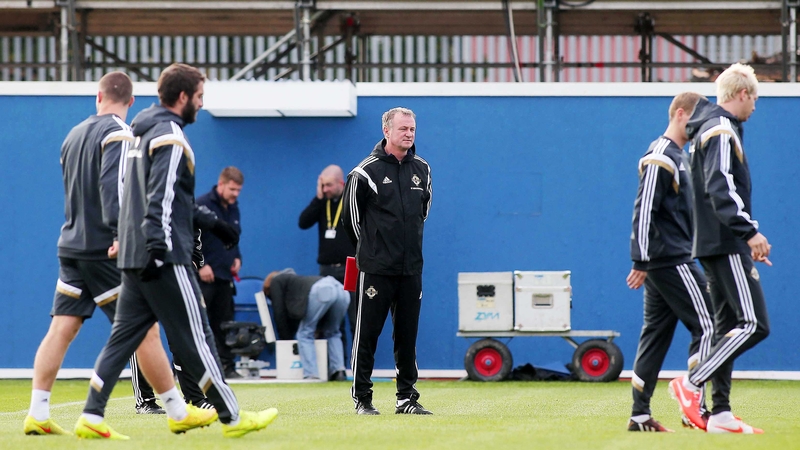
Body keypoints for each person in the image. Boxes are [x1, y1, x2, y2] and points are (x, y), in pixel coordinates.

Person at [74, 63, 277, 439]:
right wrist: (157, 247)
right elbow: (161, 197)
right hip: (164, 256)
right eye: (199, 97)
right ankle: (232, 416)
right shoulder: (170, 134)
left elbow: (155, 195)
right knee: (197, 335)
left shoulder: (141, 130)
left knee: (123, 337)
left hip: (133, 254)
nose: (201, 104)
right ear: (183, 97)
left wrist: (213, 223)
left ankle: (92, 414)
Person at [23, 71, 176, 436]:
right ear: (131, 101)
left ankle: (38, 413)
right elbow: (112, 188)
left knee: (61, 328)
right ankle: (178, 410)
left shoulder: (72, 135)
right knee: (145, 330)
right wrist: (119, 233)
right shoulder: (120, 133)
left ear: (98, 96)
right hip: (102, 249)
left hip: (70, 245)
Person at [669, 63, 770, 434]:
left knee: (727, 327)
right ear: (741, 93)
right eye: (755, 96)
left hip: (713, 243)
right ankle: (691, 384)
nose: (756, 105)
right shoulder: (722, 129)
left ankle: (721, 413)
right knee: (754, 324)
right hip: (726, 242)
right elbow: (720, 188)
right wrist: (749, 233)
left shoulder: (707, 130)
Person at [626, 92, 714, 432]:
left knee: (656, 334)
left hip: (665, 259)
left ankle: (639, 416)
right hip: (669, 258)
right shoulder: (661, 155)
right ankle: (694, 404)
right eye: (695, 121)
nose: (698, 129)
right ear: (680, 115)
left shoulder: (680, 155)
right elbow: (644, 208)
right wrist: (641, 259)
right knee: (709, 325)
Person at [342, 107, 433, 415]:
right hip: (375, 270)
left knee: (407, 338)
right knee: (366, 336)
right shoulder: (363, 173)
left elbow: (423, 214)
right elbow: (351, 223)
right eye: (403, 129)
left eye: (412, 129)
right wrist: (373, 252)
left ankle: (406, 398)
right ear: (387, 131)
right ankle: (363, 400)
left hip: (411, 270)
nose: (409, 134)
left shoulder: (422, 168)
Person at [298, 164, 358, 374]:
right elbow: (303, 223)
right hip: (327, 271)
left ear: (341, 184)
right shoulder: (322, 203)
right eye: (322, 185)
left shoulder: (352, 201)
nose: (325, 189)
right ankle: (337, 368)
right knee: (332, 321)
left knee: (354, 319)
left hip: (350, 268)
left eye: (329, 185)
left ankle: (358, 368)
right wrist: (318, 198)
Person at [197, 166, 244, 379]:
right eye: (232, 189)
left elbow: (233, 237)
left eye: (238, 190)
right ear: (221, 184)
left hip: (225, 277)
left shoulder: (234, 208)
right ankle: (187, 368)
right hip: (205, 278)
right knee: (196, 323)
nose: (235, 194)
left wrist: (237, 258)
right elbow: (191, 238)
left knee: (224, 324)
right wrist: (201, 264)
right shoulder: (201, 205)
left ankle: (226, 366)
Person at [262, 269, 350, 381]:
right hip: (341, 290)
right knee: (333, 332)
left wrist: (286, 339)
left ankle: (312, 374)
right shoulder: (295, 282)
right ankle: (339, 371)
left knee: (305, 333)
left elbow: (279, 312)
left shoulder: (276, 281)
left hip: (323, 291)